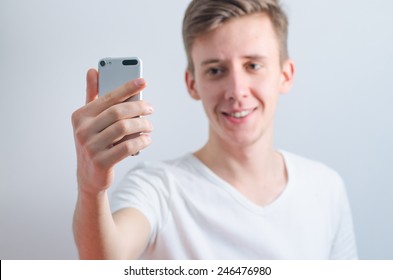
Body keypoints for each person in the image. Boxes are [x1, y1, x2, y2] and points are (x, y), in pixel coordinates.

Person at [71, 0, 357, 259]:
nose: (236, 91)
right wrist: (91, 186)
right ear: (192, 83)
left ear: (285, 75)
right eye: (216, 70)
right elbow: (106, 261)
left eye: (253, 65)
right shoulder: (157, 188)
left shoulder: (326, 188)